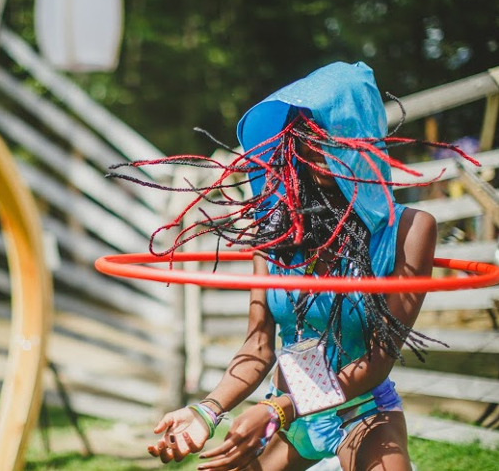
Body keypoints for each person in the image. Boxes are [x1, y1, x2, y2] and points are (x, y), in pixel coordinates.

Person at [133, 62, 470, 470]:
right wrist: (208, 410)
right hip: (288, 415)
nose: (314, 149)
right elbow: (258, 346)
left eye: (329, 136)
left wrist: (278, 410)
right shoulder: (275, 234)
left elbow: (378, 360)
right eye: (304, 137)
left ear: (360, 136)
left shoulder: (409, 230)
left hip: (360, 413)